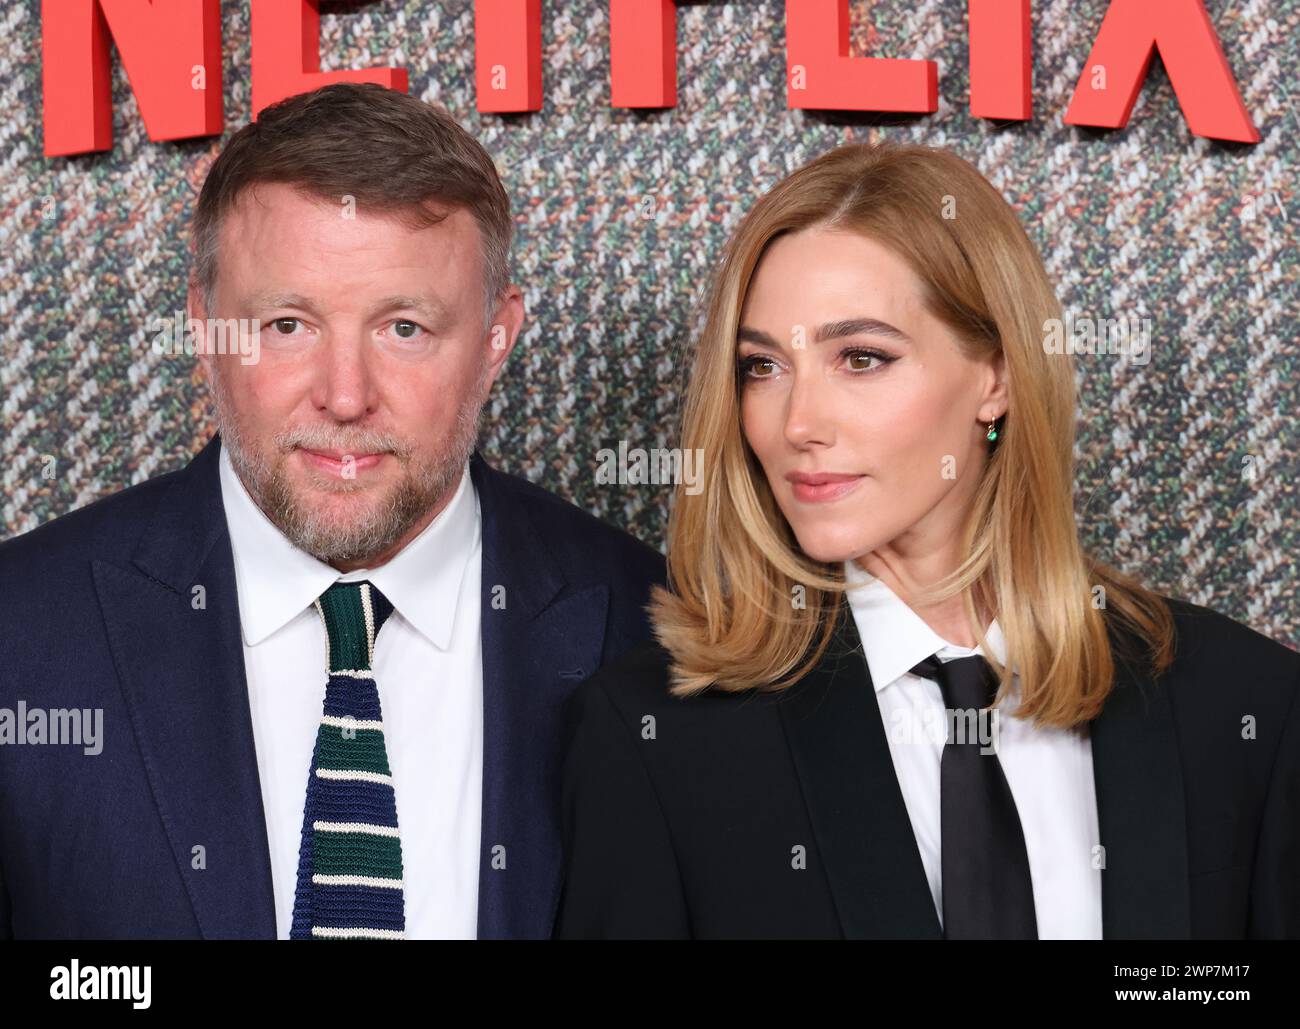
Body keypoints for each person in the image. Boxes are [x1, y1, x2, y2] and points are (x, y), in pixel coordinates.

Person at [555, 141, 1300, 940]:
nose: (798, 423)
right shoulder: (657, 738)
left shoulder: (1245, 702)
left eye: (862, 358)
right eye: (762, 366)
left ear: (997, 376)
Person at [0, 83, 663, 939]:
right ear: (206, 327)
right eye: (287, 324)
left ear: (497, 338)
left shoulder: (661, 636)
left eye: (405, 329)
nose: (345, 396)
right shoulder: (20, 637)